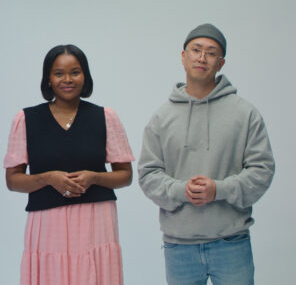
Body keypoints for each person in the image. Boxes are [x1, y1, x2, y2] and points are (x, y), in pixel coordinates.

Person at [138, 24, 275, 285]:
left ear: (221, 63)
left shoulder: (245, 114)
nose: (202, 58)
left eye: (211, 53)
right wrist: (181, 190)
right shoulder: (161, 118)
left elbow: (262, 171)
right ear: (183, 56)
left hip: (232, 242)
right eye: (196, 50)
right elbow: (148, 174)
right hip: (179, 247)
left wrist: (218, 189)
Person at [4, 44, 134, 285]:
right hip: (47, 223)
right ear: (48, 79)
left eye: (75, 72)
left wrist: (94, 177)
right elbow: (12, 180)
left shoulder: (106, 117)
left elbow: (125, 175)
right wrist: (47, 178)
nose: (67, 79)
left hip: (96, 220)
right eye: (58, 73)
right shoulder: (26, 119)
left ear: (85, 76)